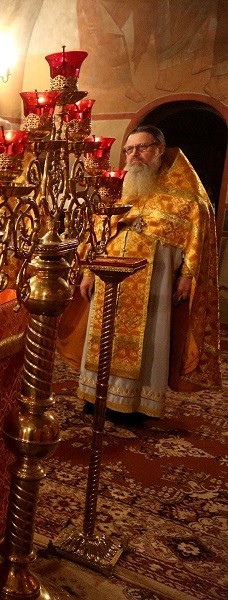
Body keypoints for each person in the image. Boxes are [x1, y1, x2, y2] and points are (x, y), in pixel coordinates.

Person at [60, 125, 221, 419]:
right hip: (107, 279)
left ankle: (135, 406)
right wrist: (87, 272)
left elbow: (195, 239)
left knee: (150, 340)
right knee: (101, 335)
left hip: (155, 281)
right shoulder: (116, 190)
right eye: (129, 149)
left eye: (142, 147)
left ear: (160, 150)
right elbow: (96, 231)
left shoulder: (186, 198)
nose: (134, 155)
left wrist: (187, 275)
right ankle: (95, 396)